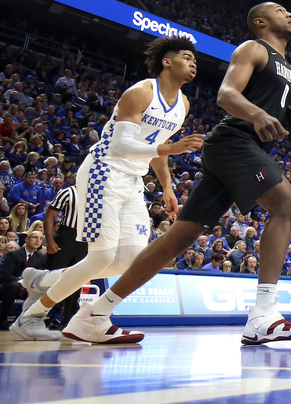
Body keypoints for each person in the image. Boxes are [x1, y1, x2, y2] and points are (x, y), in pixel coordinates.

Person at [68, 3, 291, 346]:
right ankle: (263, 316)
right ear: (260, 21)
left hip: (238, 150)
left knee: (178, 239)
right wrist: (257, 114)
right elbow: (226, 94)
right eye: (281, 10)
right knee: (288, 206)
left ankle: (93, 315)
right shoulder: (253, 49)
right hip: (233, 142)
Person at [11, 38, 203, 343]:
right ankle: (32, 316)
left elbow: (157, 152)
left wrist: (168, 187)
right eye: (186, 57)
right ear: (167, 62)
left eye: (194, 59)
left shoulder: (183, 104)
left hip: (133, 180)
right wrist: (170, 147)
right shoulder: (140, 92)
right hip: (105, 170)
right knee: (101, 257)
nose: (193, 63)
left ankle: (43, 280)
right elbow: (121, 144)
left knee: (131, 258)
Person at [38, 172, 87, 329]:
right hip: (66, 236)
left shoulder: (98, 195)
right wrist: (50, 240)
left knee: (77, 281)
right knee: (53, 277)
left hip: (85, 240)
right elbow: (49, 216)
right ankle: (40, 317)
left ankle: (69, 321)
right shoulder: (68, 192)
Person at [1, 230, 45, 325]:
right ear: (26, 239)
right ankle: (3, 318)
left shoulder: (41, 257)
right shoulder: (13, 254)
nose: (38, 240)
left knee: (43, 288)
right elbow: (6, 275)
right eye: (35, 237)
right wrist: (22, 282)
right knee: (14, 286)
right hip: (10, 286)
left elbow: (40, 275)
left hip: (30, 287)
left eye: (40, 238)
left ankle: (37, 320)